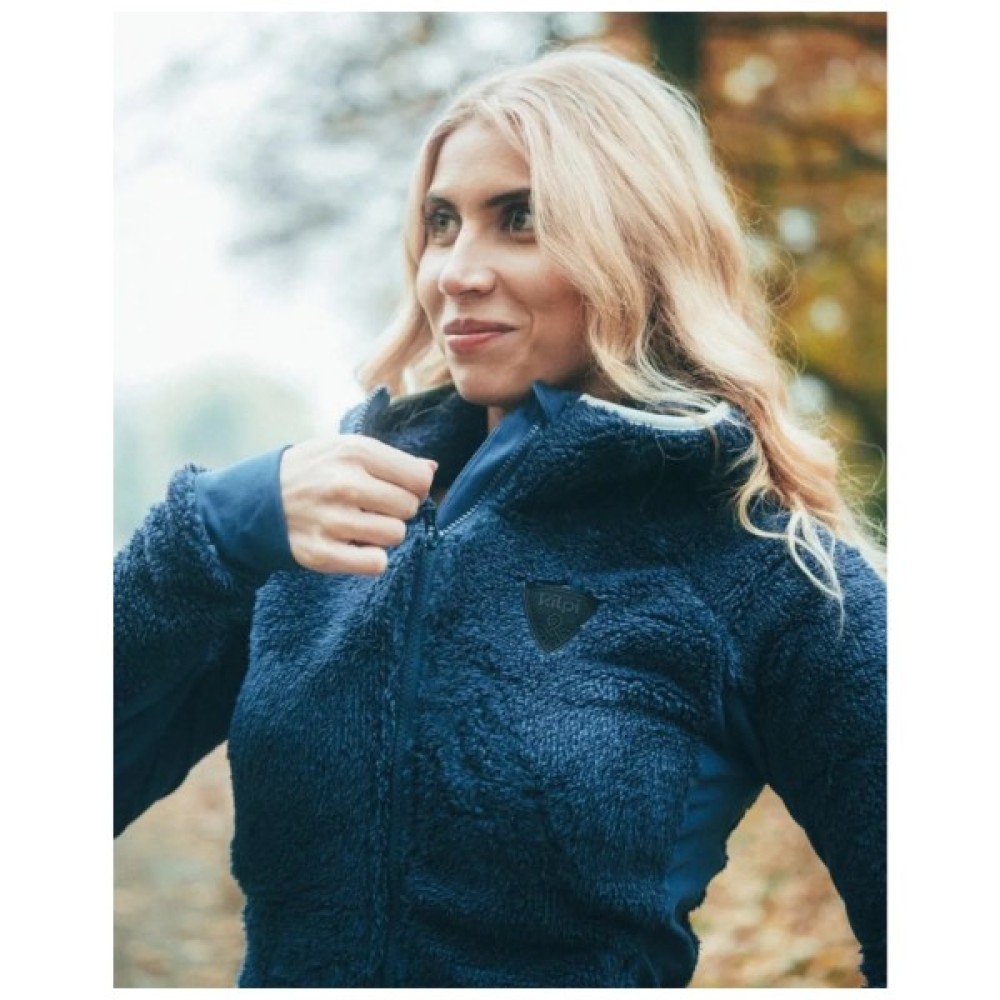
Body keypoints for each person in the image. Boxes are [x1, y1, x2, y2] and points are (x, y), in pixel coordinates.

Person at [114, 45, 886, 988]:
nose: (456, 271)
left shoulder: (764, 567)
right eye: (442, 223)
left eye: (521, 219)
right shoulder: (322, 526)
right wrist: (206, 537)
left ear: (639, 246)